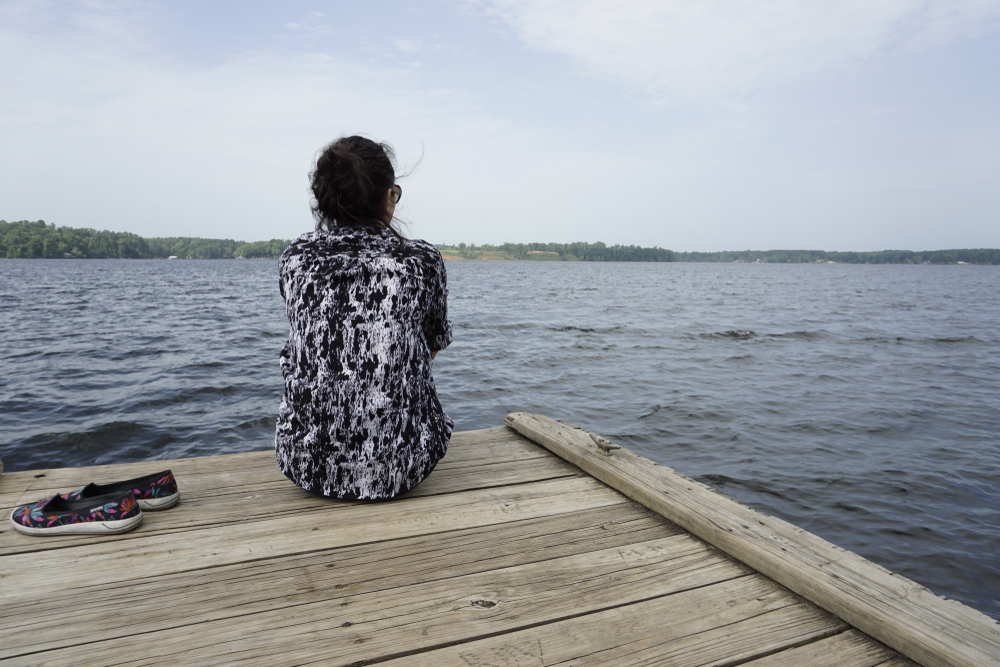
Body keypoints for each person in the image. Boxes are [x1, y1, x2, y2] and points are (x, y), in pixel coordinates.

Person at [275, 136, 453, 500]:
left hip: (307, 464)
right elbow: (433, 345)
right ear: (388, 197)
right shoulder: (421, 261)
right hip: (402, 468)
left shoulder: (296, 259)